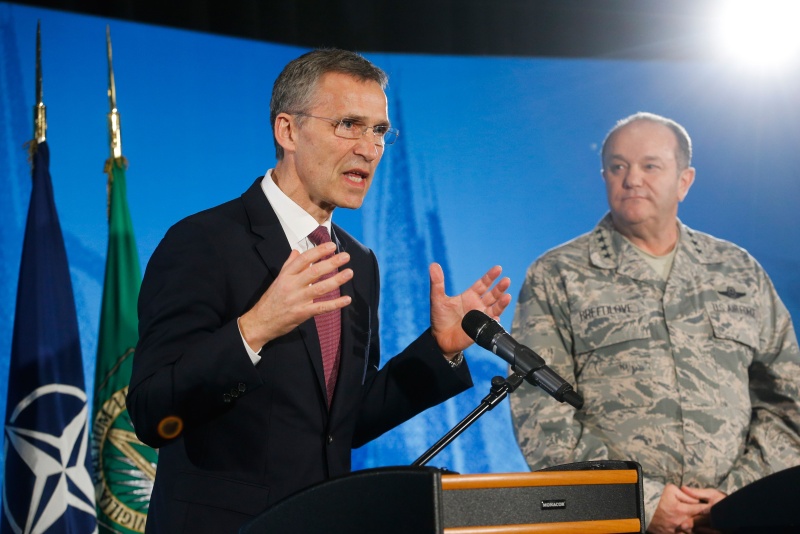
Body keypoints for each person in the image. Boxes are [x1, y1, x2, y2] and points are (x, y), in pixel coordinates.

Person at [127, 48, 511, 534]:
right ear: (287, 130)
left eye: (378, 131)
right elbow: (151, 411)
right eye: (349, 124)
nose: (369, 149)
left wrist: (439, 350)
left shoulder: (358, 262)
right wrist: (254, 329)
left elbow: (346, 422)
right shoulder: (203, 242)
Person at [509, 112, 800, 534]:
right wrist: (639, 502)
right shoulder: (557, 275)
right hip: (617, 524)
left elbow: (788, 400)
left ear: (685, 180)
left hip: (736, 521)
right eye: (617, 166)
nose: (631, 179)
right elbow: (540, 415)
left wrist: (739, 499)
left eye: (650, 165)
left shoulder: (738, 271)